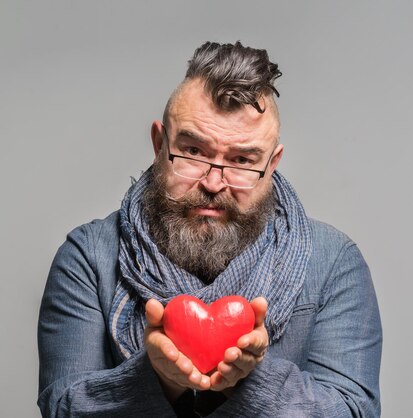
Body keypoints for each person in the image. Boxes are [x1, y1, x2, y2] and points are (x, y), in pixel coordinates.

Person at [37, 41, 382, 417]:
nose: (214, 182)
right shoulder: (88, 256)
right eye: (194, 152)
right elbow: (61, 407)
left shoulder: (333, 262)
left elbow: (354, 410)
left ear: (272, 163)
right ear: (159, 144)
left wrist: (250, 378)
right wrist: (156, 377)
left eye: (242, 160)